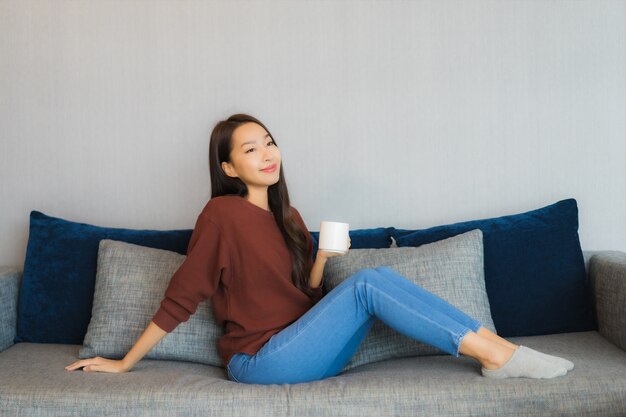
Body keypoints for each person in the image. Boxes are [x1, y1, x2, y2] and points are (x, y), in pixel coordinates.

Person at [65, 113, 574, 384]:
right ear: (227, 168)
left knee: (374, 284)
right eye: (250, 148)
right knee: (370, 284)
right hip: (260, 361)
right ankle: (500, 355)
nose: (266, 154)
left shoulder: (288, 217)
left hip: (306, 349)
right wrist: (124, 362)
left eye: (268, 142)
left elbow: (303, 297)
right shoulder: (220, 215)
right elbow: (182, 294)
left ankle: (496, 353)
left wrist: (323, 261)